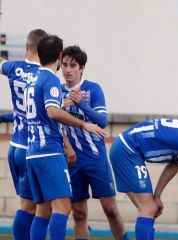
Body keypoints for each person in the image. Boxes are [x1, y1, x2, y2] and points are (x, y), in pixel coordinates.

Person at [25, 35, 105, 240]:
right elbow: (52, 111)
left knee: (43, 210)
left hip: (32, 151)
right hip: (48, 152)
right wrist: (83, 123)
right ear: (60, 57)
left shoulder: (31, 78)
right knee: (62, 206)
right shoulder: (51, 79)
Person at [60, 45, 128, 240]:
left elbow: (102, 121)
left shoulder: (93, 89)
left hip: (95, 158)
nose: (68, 70)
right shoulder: (57, 91)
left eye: (73, 65)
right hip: (72, 161)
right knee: (79, 213)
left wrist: (80, 103)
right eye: (64, 65)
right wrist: (64, 104)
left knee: (110, 209)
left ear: (81, 68)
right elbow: (52, 118)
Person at [0, 29, 48, 240]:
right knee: (33, 208)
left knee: (27, 204)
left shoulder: (14, 68)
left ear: (27, 47)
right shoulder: (44, 75)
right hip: (33, 147)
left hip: (15, 147)